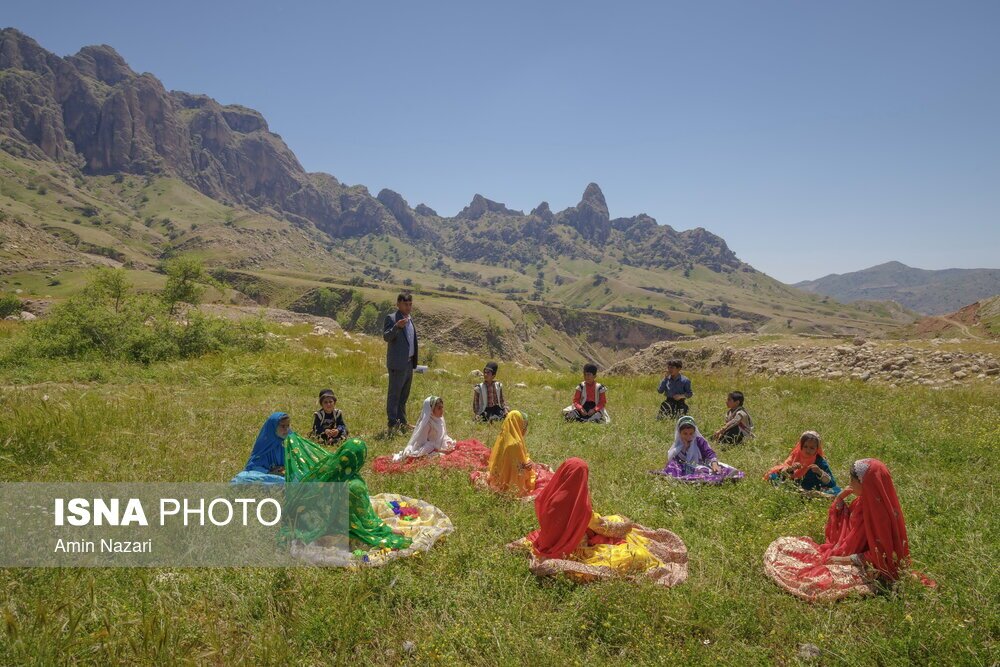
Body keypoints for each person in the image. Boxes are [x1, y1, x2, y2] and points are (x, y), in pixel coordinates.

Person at [764, 458, 934, 602]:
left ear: (866, 484)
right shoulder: (863, 501)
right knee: (785, 546)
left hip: (867, 564)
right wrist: (839, 499)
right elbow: (847, 524)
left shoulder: (880, 515)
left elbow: (879, 554)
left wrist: (843, 560)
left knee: (815, 581)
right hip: (848, 551)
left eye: (853, 480)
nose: (850, 484)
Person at [506, 458, 688, 587]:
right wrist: (626, 524)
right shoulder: (580, 507)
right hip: (573, 549)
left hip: (549, 541)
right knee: (637, 555)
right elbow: (603, 526)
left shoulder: (547, 498)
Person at [470, 411, 553, 498]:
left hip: (499, 476)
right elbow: (519, 468)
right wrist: (528, 465)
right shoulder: (515, 444)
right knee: (540, 475)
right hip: (512, 482)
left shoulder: (503, 437)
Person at [650, 415, 744, 484]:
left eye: (691, 433)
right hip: (684, 466)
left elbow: (709, 453)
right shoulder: (678, 444)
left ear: (695, 432)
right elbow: (675, 459)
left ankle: (693, 480)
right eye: (685, 434)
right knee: (672, 466)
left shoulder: (699, 440)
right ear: (679, 433)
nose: (688, 436)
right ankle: (682, 479)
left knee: (707, 470)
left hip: (698, 464)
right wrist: (685, 447)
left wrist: (714, 464)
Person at [765, 431, 840, 496]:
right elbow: (781, 473)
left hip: (812, 489)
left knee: (837, 491)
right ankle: (798, 493)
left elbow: (832, 483)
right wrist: (791, 469)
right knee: (773, 477)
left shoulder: (819, 461)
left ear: (817, 449)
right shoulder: (795, 456)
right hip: (795, 485)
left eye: (812, 448)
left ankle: (806, 494)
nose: (808, 450)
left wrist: (819, 472)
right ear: (800, 446)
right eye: (805, 446)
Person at [383, 292, 418, 432]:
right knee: (394, 395)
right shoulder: (392, 318)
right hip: (397, 364)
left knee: (404, 395)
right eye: (405, 304)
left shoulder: (409, 319)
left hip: (409, 363)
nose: (408, 307)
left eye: (410, 304)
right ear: (398, 304)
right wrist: (397, 327)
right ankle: (392, 424)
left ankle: (402, 422)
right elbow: (386, 337)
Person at [230, 412, 289, 485]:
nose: (286, 430)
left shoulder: (291, 441)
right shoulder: (265, 442)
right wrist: (269, 472)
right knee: (242, 479)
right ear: (273, 427)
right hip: (267, 476)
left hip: (287, 476)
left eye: (288, 426)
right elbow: (253, 466)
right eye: (283, 426)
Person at [391, 396, 455, 461]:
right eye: (439, 408)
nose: (442, 410)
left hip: (440, 445)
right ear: (431, 410)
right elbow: (421, 443)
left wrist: (447, 442)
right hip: (431, 448)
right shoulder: (427, 424)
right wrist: (436, 449)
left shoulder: (440, 419)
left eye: (442, 407)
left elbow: (443, 435)